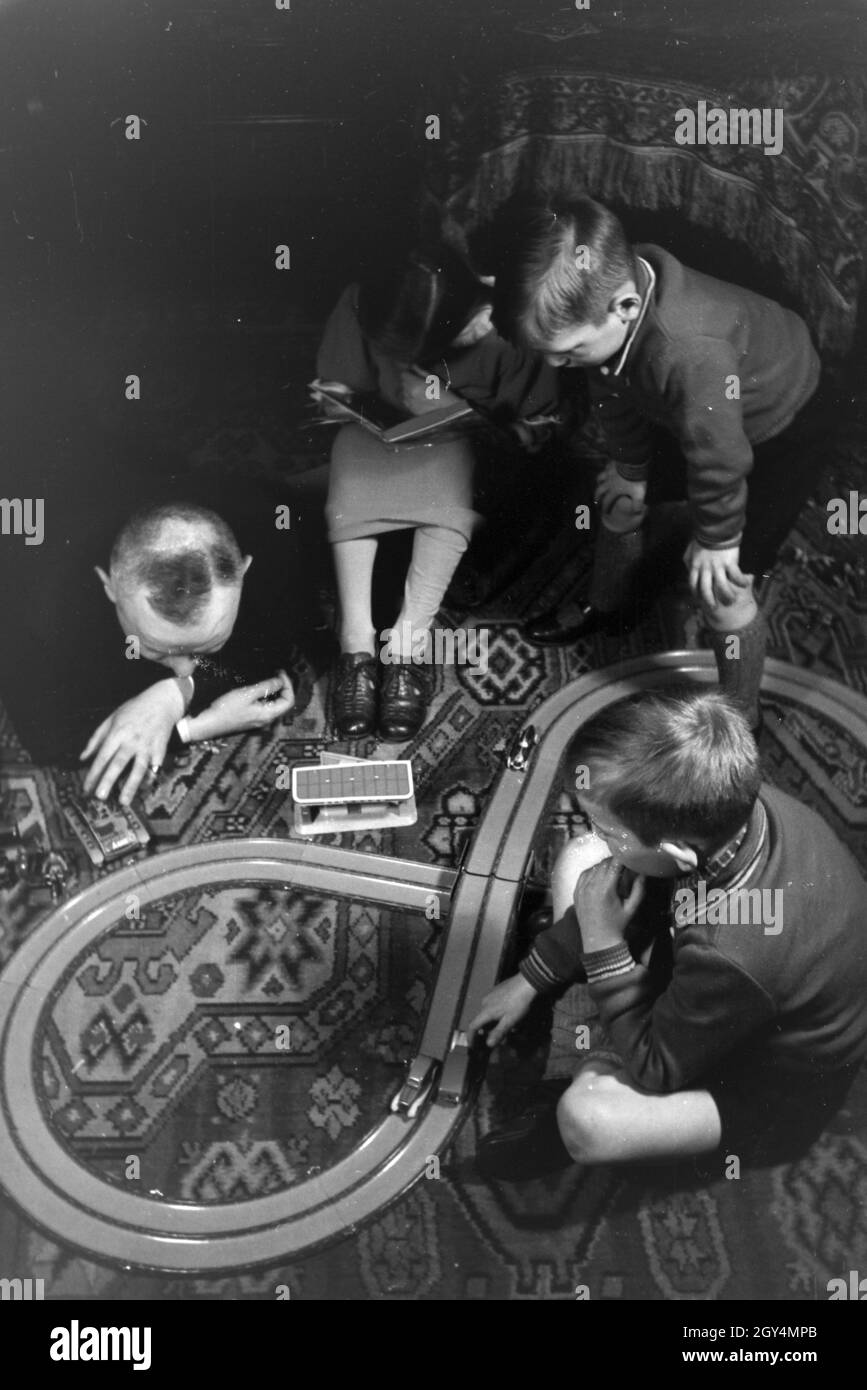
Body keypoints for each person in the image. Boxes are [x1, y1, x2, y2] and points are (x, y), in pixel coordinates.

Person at [468, 689, 867, 1179]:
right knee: (583, 857)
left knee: (587, 1119)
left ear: (679, 854)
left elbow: (656, 1067)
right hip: (726, 986)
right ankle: (591, 1023)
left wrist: (602, 944)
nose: (594, 830)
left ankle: (573, 1059)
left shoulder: (733, 950)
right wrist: (531, 978)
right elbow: (647, 883)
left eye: (606, 826)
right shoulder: (730, 811)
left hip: (767, 1090)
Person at [493, 198, 828, 731]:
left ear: (626, 308)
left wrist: (718, 538)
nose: (556, 366)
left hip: (780, 426)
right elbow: (611, 383)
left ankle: (742, 717)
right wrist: (630, 465)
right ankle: (608, 608)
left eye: (568, 351)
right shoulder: (615, 312)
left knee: (723, 587)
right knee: (618, 497)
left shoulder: (688, 351)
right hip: (694, 409)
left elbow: (720, 454)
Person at [315, 244, 560, 741]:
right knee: (349, 482)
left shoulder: (512, 331)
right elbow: (337, 386)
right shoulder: (368, 300)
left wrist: (459, 413)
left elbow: (543, 431)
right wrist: (337, 400)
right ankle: (356, 644)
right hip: (377, 439)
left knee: (448, 494)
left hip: (459, 444)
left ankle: (407, 645)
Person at [0, 498, 310, 806]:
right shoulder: (39, 615)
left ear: (244, 570)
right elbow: (49, 739)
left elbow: (271, 647)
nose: (183, 670)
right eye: (157, 648)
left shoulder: (273, 536)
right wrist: (194, 728)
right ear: (110, 586)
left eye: (210, 645)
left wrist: (175, 696)